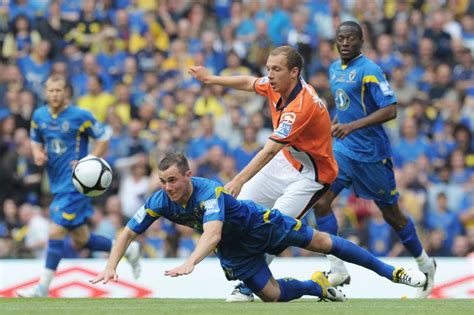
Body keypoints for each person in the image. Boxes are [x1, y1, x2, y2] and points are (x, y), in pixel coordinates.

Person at [91, 153, 426, 302]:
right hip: (235, 251)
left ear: (188, 176)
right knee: (273, 296)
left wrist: (190, 262)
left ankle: (392, 272)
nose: (168, 187)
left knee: (324, 242)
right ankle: (318, 287)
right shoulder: (160, 200)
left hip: (262, 225)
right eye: (163, 181)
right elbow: (127, 233)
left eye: (173, 180)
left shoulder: (211, 193)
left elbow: (213, 233)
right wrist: (110, 266)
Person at [189, 45, 337, 301]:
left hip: (311, 176)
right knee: (242, 209)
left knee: (273, 225)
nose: (269, 74)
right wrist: (210, 78)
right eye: (268, 68)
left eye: (276, 69)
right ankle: (245, 271)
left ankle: (249, 286)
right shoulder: (277, 84)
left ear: (294, 72)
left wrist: (237, 179)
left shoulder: (302, 106)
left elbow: (268, 151)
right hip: (286, 160)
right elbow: (249, 82)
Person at [311, 21, 437, 299]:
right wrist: (337, 122)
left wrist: (352, 126)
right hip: (344, 151)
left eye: (350, 39)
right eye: (340, 38)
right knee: (320, 202)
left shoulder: (370, 71)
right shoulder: (334, 69)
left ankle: (426, 264)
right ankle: (337, 267)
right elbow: (346, 105)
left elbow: (391, 110)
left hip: (372, 156)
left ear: (361, 41)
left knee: (392, 215)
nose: (345, 43)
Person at [16, 75, 141, 297]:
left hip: (77, 185)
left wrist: (88, 161)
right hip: (56, 184)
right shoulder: (39, 116)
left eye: (58, 90)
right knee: (81, 239)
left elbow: (103, 139)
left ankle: (42, 287)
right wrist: (37, 153)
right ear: (45, 92)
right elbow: (35, 137)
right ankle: (127, 249)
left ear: (67, 92)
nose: (54, 94)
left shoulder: (80, 116)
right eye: (50, 90)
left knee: (55, 230)